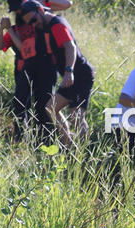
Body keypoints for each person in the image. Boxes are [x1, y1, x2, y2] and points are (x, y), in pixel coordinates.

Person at [19, 0, 94, 147]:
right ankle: (68, 145)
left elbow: (70, 47)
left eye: (34, 20)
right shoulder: (46, 27)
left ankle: (85, 151)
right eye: (30, 24)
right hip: (71, 76)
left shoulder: (57, 24)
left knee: (76, 115)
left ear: (41, 10)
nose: (34, 25)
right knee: (51, 108)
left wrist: (69, 71)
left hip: (80, 74)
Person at [0, 0, 71, 141]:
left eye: (20, 9)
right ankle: (21, 140)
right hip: (26, 69)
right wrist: (4, 28)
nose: (19, 13)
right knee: (20, 104)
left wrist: (41, 3)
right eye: (16, 11)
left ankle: (46, 141)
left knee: (44, 105)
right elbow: (0, 46)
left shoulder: (40, 20)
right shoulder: (18, 28)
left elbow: (67, 3)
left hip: (46, 67)